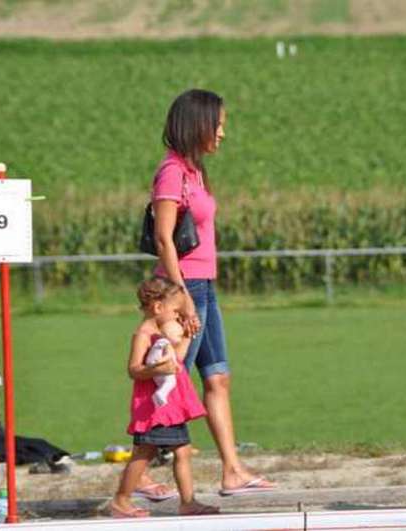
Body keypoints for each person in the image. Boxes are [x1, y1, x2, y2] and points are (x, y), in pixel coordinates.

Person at [140, 88, 275, 498]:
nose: (222, 134)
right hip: (185, 288)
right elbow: (164, 239)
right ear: (196, 125)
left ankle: (232, 471)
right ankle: (141, 474)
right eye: (218, 125)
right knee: (170, 377)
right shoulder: (172, 172)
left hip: (204, 286)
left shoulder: (194, 171)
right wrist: (180, 298)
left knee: (218, 377)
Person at [110, 277, 218, 518]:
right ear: (158, 307)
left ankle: (188, 502)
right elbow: (134, 369)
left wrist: (189, 336)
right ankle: (121, 500)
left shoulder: (162, 332)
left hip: (172, 404)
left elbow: (177, 361)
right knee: (144, 451)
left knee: (182, 450)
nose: (178, 315)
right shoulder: (144, 334)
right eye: (175, 310)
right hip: (154, 405)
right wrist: (157, 370)